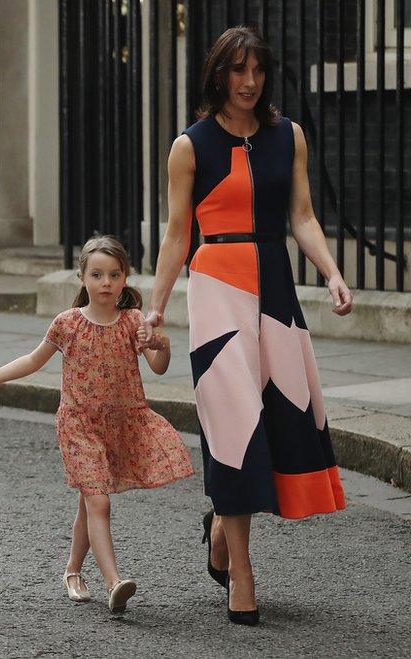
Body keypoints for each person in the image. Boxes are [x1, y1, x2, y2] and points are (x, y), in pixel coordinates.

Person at [144, 26, 352, 625]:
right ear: (218, 75)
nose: (249, 82)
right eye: (237, 70)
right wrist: (157, 305)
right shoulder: (191, 145)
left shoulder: (289, 136)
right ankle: (241, 569)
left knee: (283, 420)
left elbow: (303, 216)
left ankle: (219, 529)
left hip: (277, 287)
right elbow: (178, 233)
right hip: (217, 289)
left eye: (257, 70)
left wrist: (332, 274)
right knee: (233, 425)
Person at [0, 235, 193, 615]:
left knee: (88, 502)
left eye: (113, 274)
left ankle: (73, 571)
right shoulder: (67, 323)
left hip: (121, 422)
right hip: (79, 426)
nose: (105, 282)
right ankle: (113, 582)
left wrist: (164, 346)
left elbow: (158, 367)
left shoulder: (133, 322)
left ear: (126, 278)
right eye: (96, 275)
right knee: (99, 500)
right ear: (82, 278)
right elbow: (32, 360)